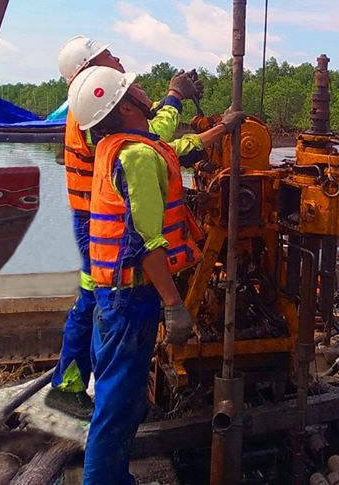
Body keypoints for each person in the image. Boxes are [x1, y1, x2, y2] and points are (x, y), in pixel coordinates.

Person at [67, 65, 244, 485]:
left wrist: (221, 129)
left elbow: (176, 145)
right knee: (117, 405)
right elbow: (145, 242)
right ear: (127, 105)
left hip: (116, 296)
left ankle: (114, 478)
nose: (145, 92)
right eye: (134, 89)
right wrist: (174, 305)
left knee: (123, 401)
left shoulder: (119, 145)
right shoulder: (137, 157)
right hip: (130, 299)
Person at [48, 35, 203, 417]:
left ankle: (93, 389)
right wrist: (174, 97)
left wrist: (203, 137)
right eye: (106, 56)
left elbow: (155, 142)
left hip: (93, 214)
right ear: (88, 71)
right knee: (99, 302)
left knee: (96, 301)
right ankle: (75, 390)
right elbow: (154, 137)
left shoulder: (86, 111)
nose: (115, 59)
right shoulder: (93, 112)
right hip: (101, 222)